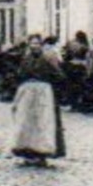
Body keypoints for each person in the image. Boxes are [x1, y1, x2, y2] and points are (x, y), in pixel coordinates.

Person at [11, 36, 66, 165]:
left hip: (44, 93)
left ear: (41, 45)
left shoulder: (48, 59)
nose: (34, 46)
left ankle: (42, 152)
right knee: (26, 122)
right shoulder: (26, 60)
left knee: (43, 123)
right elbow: (19, 74)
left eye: (37, 44)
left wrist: (50, 85)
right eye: (32, 44)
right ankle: (27, 151)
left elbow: (59, 75)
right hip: (28, 93)